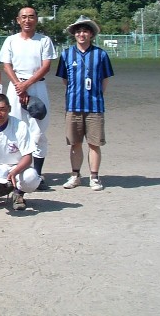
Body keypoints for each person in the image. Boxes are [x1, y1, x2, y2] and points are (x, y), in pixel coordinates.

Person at [0, 6, 57, 186]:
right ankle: (15, 173)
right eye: (24, 17)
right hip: (16, 88)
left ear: (36, 19)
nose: (27, 20)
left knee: (38, 131)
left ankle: (36, 175)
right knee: (15, 128)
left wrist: (27, 85)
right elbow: (6, 65)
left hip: (37, 86)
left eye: (31, 17)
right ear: (18, 20)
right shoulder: (11, 40)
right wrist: (18, 85)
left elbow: (46, 66)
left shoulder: (44, 40)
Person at [56, 15, 114, 191]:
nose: (82, 34)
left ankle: (94, 177)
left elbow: (105, 79)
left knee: (94, 143)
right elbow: (65, 80)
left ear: (91, 34)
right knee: (75, 143)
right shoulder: (66, 54)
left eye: (85, 31)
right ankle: (75, 175)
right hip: (73, 106)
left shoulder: (101, 54)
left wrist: (96, 95)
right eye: (79, 31)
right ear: (74, 34)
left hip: (94, 107)